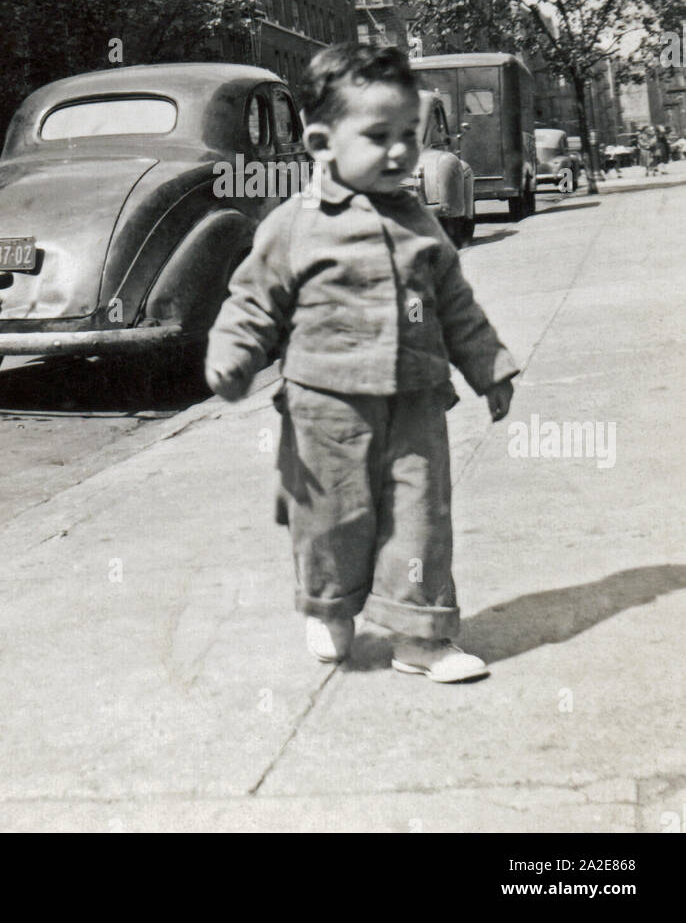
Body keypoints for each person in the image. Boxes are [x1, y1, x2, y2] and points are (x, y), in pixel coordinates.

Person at [205, 44, 519, 684]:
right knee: (332, 518)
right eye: (379, 136)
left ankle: (422, 636)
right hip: (325, 409)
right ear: (320, 141)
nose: (401, 150)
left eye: (410, 133)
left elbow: (456, 302)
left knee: (421, 518)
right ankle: (331, 605)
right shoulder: (293, 225)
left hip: (416, 402)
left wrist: (489, 365)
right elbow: (253, 298)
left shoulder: (419, 221)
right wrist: (233, 355)